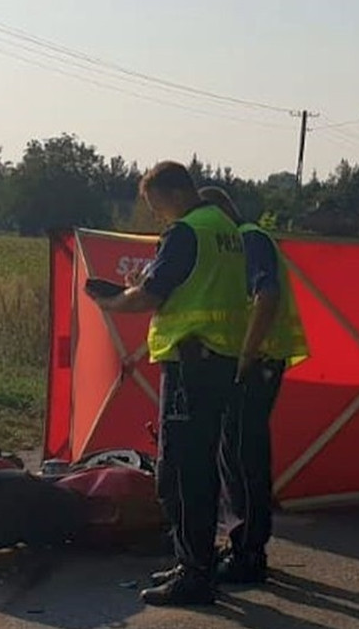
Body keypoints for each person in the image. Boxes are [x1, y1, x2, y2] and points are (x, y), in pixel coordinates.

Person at [86, 161, 250, 606]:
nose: (157, 214)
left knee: (180, 473)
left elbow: (153, 295)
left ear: (173, 192)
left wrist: (113, 302)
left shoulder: (186, 231)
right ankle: (195, 560)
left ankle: (194, 574)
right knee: (202, 467)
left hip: (190, 363)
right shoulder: (226, 227)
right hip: (220, 360)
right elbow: (199, 285)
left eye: (155, 204)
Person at [194, 186, 308, 584]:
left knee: (243, 457)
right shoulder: (247, 237)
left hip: (254, 363)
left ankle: (248, 553)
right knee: (238, 452)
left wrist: (245, 353)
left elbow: (267, 294)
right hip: (253, 361)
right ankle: (243, 543)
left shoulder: (247, 239)